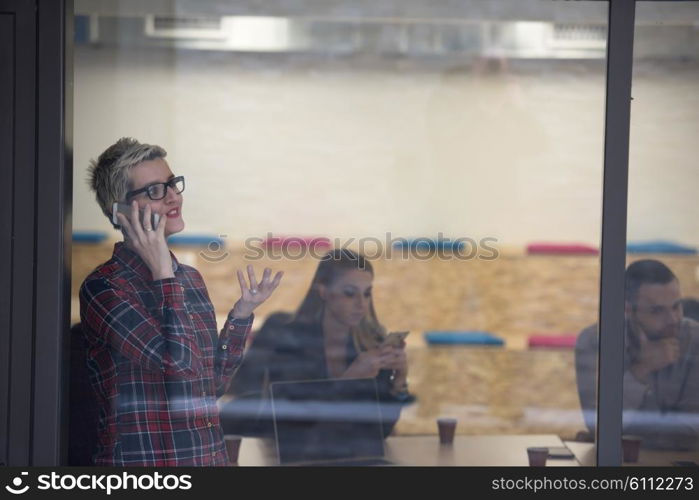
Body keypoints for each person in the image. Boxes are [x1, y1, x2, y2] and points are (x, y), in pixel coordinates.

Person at [79, 137, 283, 465]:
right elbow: (181, 368)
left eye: (172, 184)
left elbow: (209, 387)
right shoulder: (105, 288)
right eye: (156, 190)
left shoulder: (188, 279)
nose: (174, 196)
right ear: (121, 211)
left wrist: (241, 315)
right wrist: (163, 272)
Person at [222, 248, 413, 438]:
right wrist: (351, 379)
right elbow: (292, 427)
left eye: (367, 293)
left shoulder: (372, 343)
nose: (361, 304)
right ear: (323, 291)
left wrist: (399, 381)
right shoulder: (287, 335)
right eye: (349, 293)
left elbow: (379, 433)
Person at [575, 259, 699, 450]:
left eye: (676, 306)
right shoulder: (594, 342)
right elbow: (599, 424)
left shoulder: (694, 339)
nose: (673, 319)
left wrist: (629, 431)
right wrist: (641, 370)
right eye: (657, 311)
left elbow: (692, 428)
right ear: (627, 310)